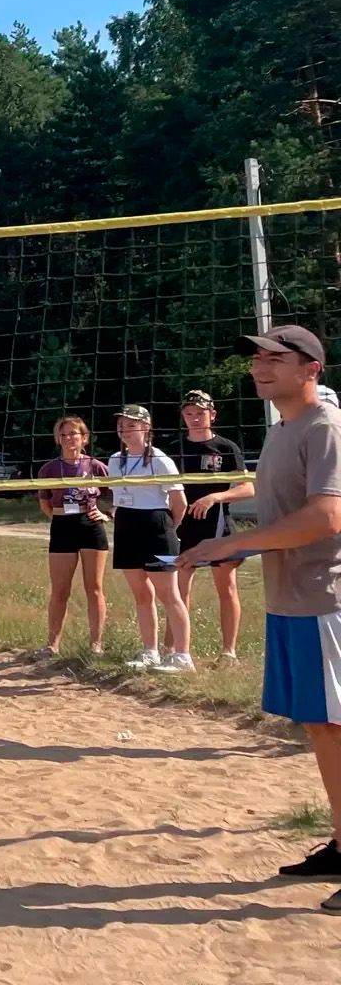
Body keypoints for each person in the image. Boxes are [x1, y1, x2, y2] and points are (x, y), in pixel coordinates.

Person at [179, 325, 341, 912]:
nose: (260, 366)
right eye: (257, 358)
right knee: (322, 728)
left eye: (277, 358)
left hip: (326, 599)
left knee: (338, 729)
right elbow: (283, 513)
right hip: (291, 598)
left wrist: (226, 546)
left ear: (311, 370)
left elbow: (326, 517)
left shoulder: (324, 425)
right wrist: (239, 542)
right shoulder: (283, 428)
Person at [106, 405, 194, 673]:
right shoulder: (114, 460)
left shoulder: (160, 460)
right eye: (122, 425)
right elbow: (118, 499)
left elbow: (180, 504)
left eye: (131, 425)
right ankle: (150, 651)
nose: (125, 430)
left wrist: (168, 529)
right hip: (126, 525)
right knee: (141, 595)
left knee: (170, 594)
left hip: (156, 526)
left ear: (146, 428)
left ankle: (182, 656)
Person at [171, 390, 250, 666]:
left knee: (226, 588)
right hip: (183, 525)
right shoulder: (175, 448)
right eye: (189, 413)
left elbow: (248, 487)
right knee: (178, 590)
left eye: (200, 413)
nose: (194, 418)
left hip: (217, 524)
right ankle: (176, 652)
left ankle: (229, 653)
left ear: (212, 415)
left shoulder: (226, 448)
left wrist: (216, 496)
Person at [27, 415, 110, 660]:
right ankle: (52, 645)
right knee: (60, 589)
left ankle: (96, 645)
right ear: (58, 439)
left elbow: (118, 493)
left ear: (84, 438)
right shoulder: (49, 469)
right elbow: (44, 502)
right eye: (63, 434)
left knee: (94, 588)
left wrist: (107, 514)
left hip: (91, 525)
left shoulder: (96, 466)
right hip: (63, 526)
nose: (68, 438)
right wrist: (60, 517)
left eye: (74, 433)